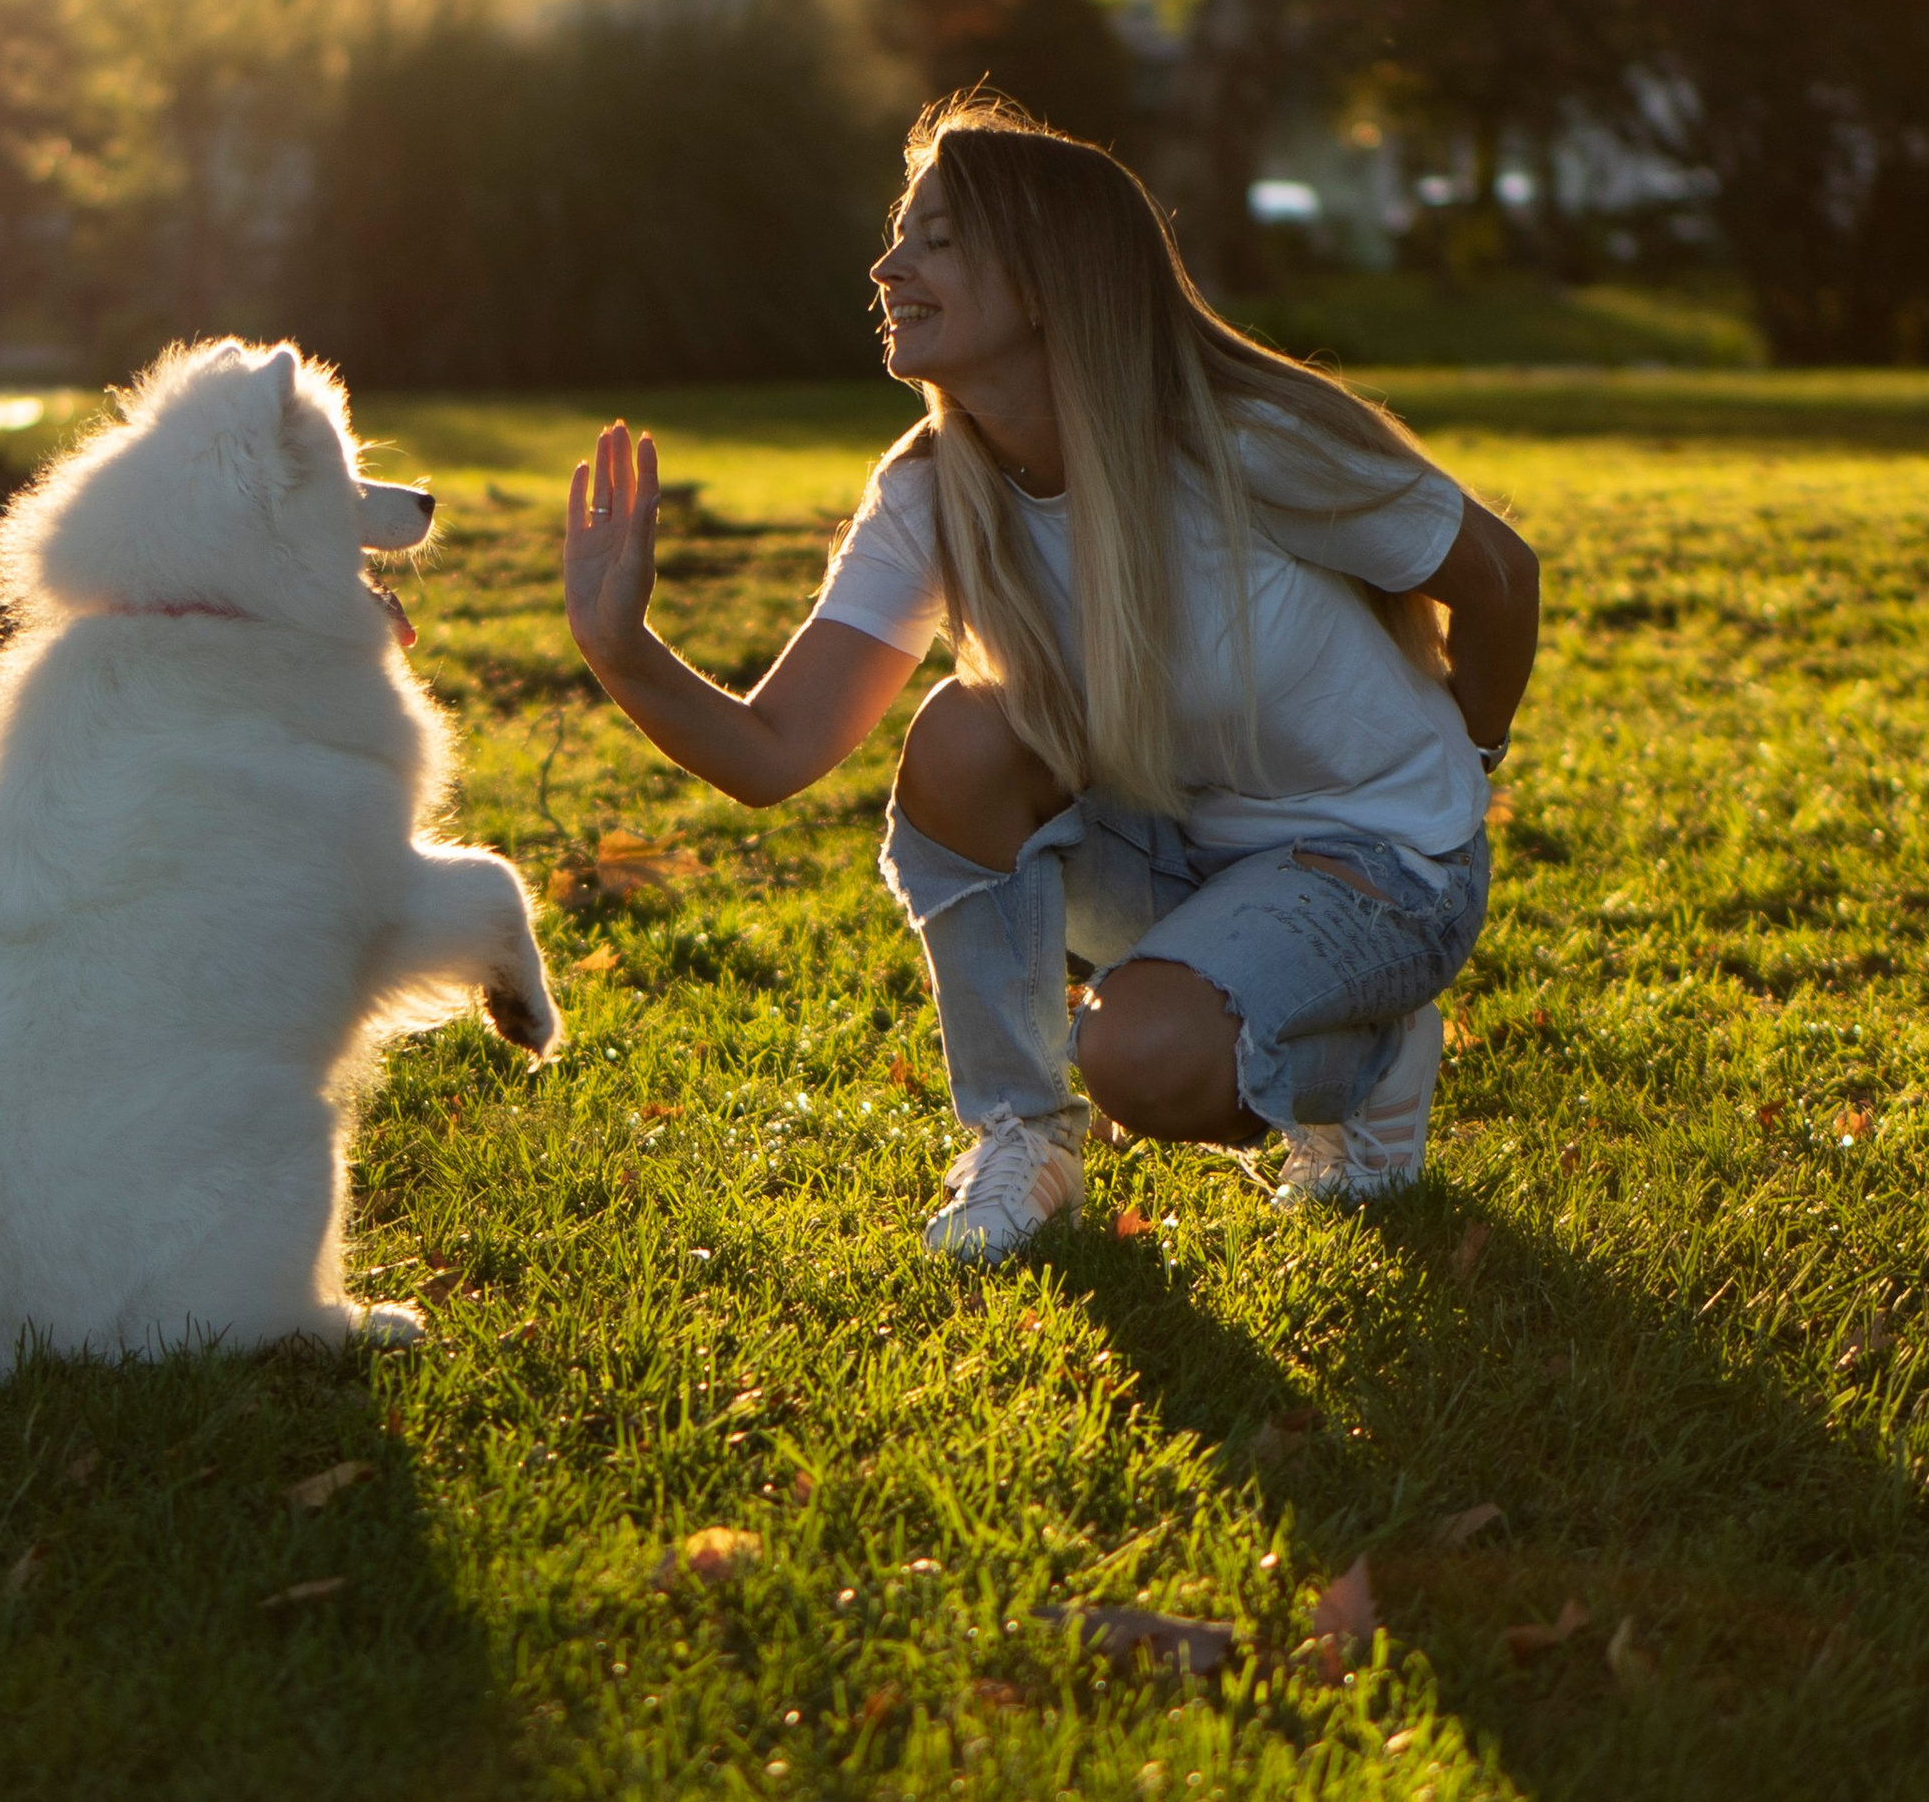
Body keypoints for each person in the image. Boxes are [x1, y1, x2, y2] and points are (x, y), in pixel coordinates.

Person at [561, 100, 1541, 1261]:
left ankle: (1369, 1065)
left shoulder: (1240, 441)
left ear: (1043, 280)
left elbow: (1498, 578)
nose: (887, 268)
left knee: (1142, 1061)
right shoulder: (933, 489)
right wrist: (620, 646)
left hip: (1378, 867)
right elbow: (774, 753)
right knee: (964, 734)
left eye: (934, 240)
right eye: (897, 237)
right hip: (1170, 849)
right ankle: (1021, 1136)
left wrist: (1469, 756)